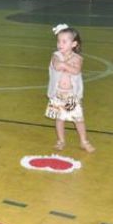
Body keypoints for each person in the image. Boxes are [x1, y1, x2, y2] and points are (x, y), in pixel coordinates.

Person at [45, 24, 95, 153]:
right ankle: (61, 140)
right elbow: (56, 65)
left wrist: (64, 65)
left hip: (70, 95)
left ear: (73, 44)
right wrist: (63, 64)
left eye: (64, 41)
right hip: (57, 95)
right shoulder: (56, 55)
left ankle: (84, 141)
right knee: (59, 118)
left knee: (78, 119)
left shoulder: (77, 58)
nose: (59, 44)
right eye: (58, 41)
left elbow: (76, 70)